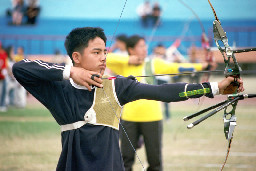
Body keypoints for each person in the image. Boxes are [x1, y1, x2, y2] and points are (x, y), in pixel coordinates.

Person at [12, 27, 244, 171]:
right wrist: (70, 72)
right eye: (96, 52)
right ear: (76, 57)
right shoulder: (59, 89)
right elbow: (21, 68)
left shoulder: (116, 86)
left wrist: (214, 87)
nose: (104, 58)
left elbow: (163, 92)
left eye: (105, 52)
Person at [106, 35, 216, 171]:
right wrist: (129, 59)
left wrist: (202, 65)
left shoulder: (152, 63)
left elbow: (176, 68)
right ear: (131, 49)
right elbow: (105, 58)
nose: (145, 49)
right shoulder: (123, 64)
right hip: (129, 119)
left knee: (155, 161)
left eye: (145, 45)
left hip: (152, 118)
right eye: (141, 46)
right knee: (125, 161)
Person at [0, 42, 8, 112]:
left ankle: (2, 105)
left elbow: (5, 65)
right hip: (1, 75)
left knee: (4, 91)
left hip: (3, 75)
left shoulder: (3, 54)